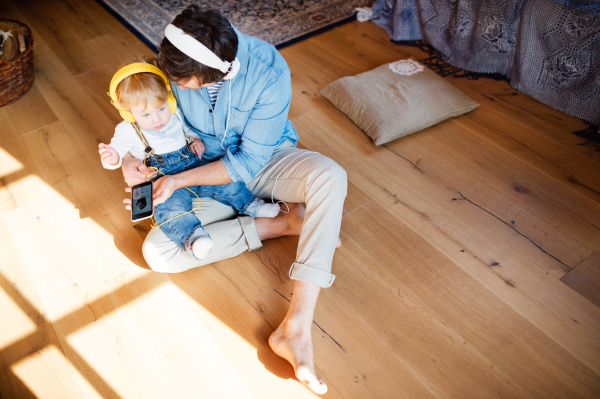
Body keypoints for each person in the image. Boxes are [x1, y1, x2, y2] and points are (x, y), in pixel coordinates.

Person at [121, 7, 347, 395]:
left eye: (185, 84)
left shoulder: (268, 71)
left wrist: (177, 180)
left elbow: (250, 161)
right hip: (197, 178)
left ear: (217, 74)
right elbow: (142, 121)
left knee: (331, 176)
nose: (177, 88)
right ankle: (288, 224)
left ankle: (296, 329)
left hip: (259, 164)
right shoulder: (173, 65)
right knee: (158, 254)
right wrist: (130, 161)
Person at [99, 59, 280, 260]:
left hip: (192, 164)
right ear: (128, 113)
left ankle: (252, 205)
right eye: (146, 115)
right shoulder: (126, 130)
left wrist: (194, 139)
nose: (157, 119)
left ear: (168, 100)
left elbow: (187, 129)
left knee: (226, 184)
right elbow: (116, 154)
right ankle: (194, 238)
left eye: (161, 109)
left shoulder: (174, 112)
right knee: (170, 209)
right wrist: (112, 157)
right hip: (160, 180)